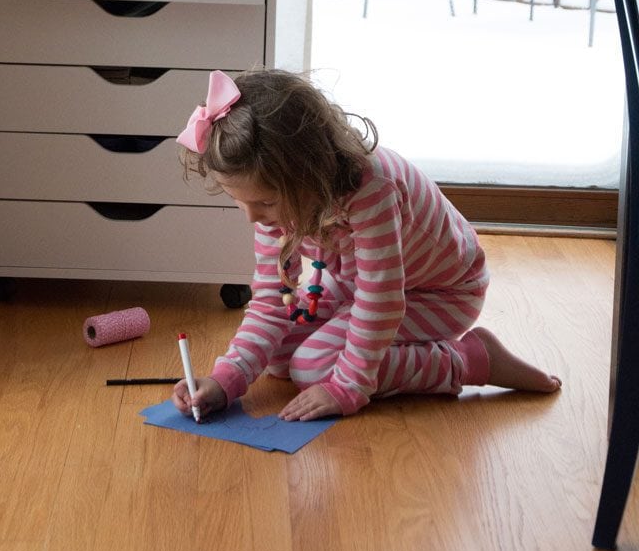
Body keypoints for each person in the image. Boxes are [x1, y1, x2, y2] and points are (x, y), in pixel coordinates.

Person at [172, 68, 561, 422]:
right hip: (355, 285)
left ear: (308, 172)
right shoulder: (278, 199)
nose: (251, 217)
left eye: (264, 203)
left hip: (441, 293)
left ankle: (470, 359)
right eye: (239, 201)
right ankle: (366, 354)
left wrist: (346, 387)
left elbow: (381, 301)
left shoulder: (372, 189)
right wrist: (225, 379)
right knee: (276, 356)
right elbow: (273, 299)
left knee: (312, 367)